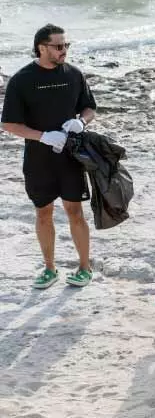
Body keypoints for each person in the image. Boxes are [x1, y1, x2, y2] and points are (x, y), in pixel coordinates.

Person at [1, 24, 97, 289]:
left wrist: (81, 122)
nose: (63, 50)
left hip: (70, 156)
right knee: (43, 212)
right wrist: (42, 136)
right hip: (38, 159)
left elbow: (89, 107)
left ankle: (84, 267)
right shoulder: (22, 80)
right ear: (41, 48)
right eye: (58, 46)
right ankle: (49, 268)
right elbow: (9, 124)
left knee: (74, 211)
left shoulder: (74, 74)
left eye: (66, 45)